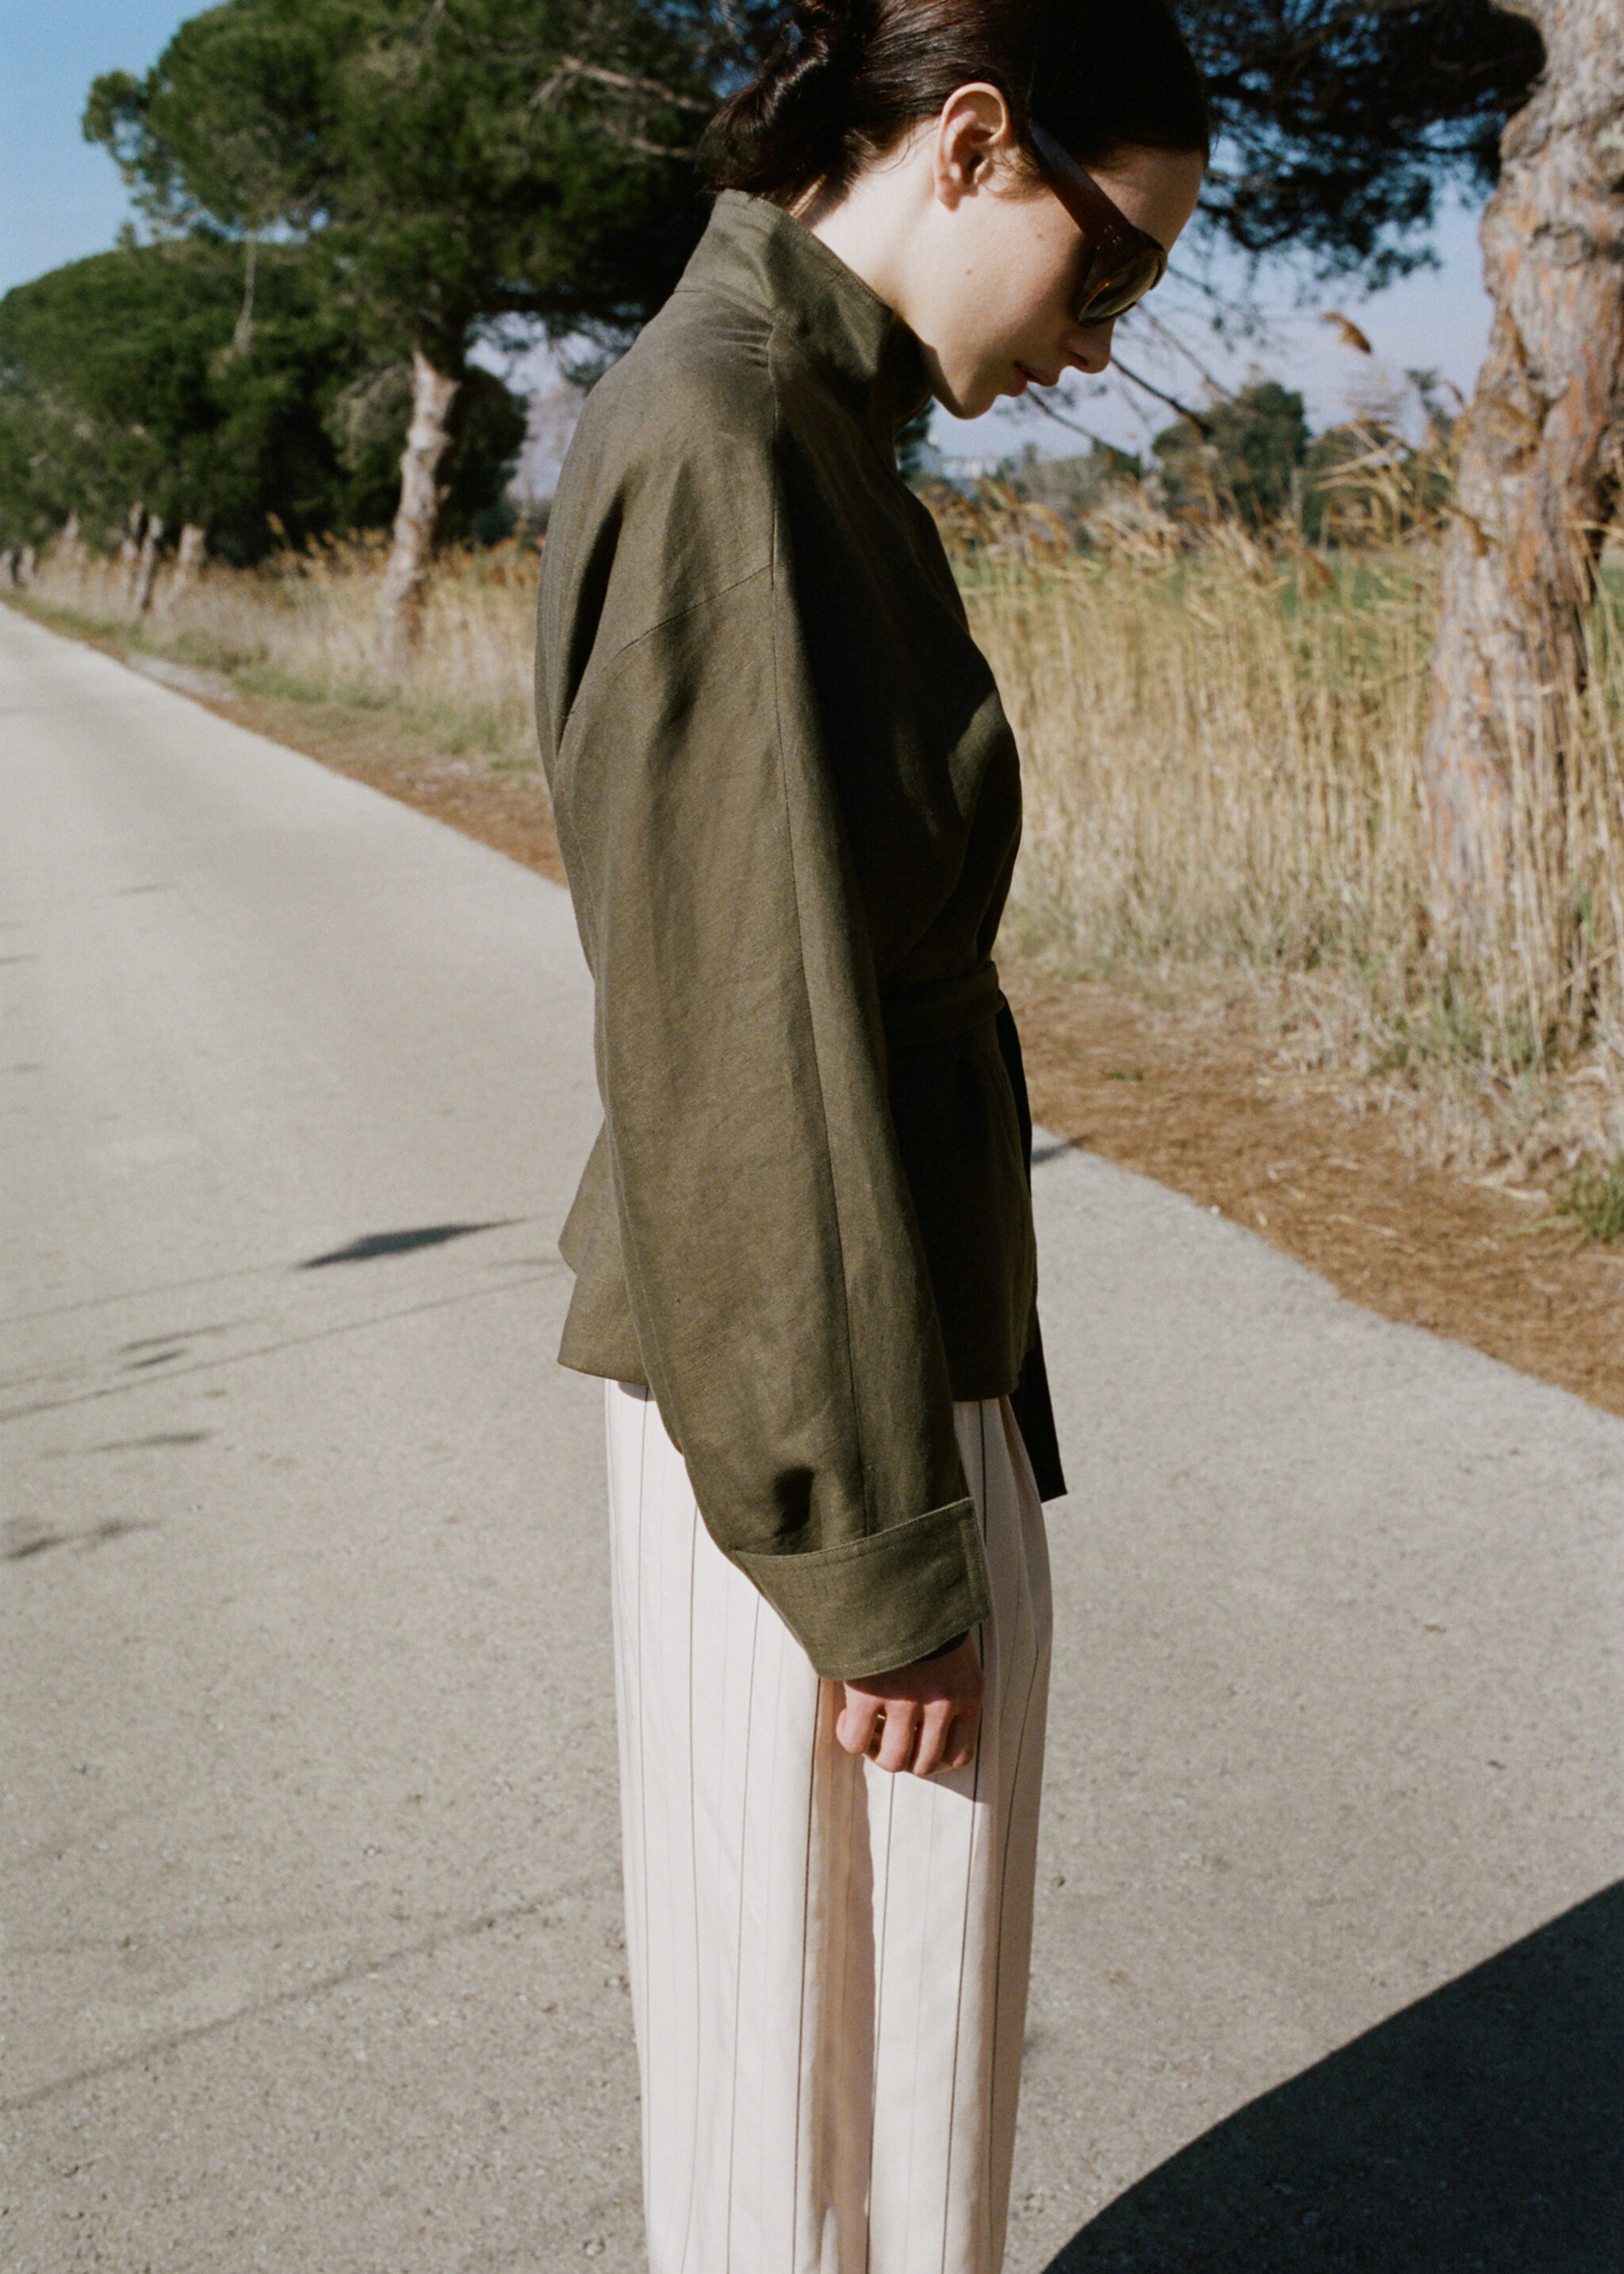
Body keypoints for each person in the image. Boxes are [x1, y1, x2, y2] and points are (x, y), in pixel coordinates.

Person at [535, 2, 1207, 2264]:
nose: (1101, 348)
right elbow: (740, 1048)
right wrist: (878, 1553)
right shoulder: (730, 437)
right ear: (977, 141)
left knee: (864, 2092)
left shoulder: (803, 423)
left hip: (872, 1379)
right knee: (832, 2117)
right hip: (819, 1422)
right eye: (1106, 268)